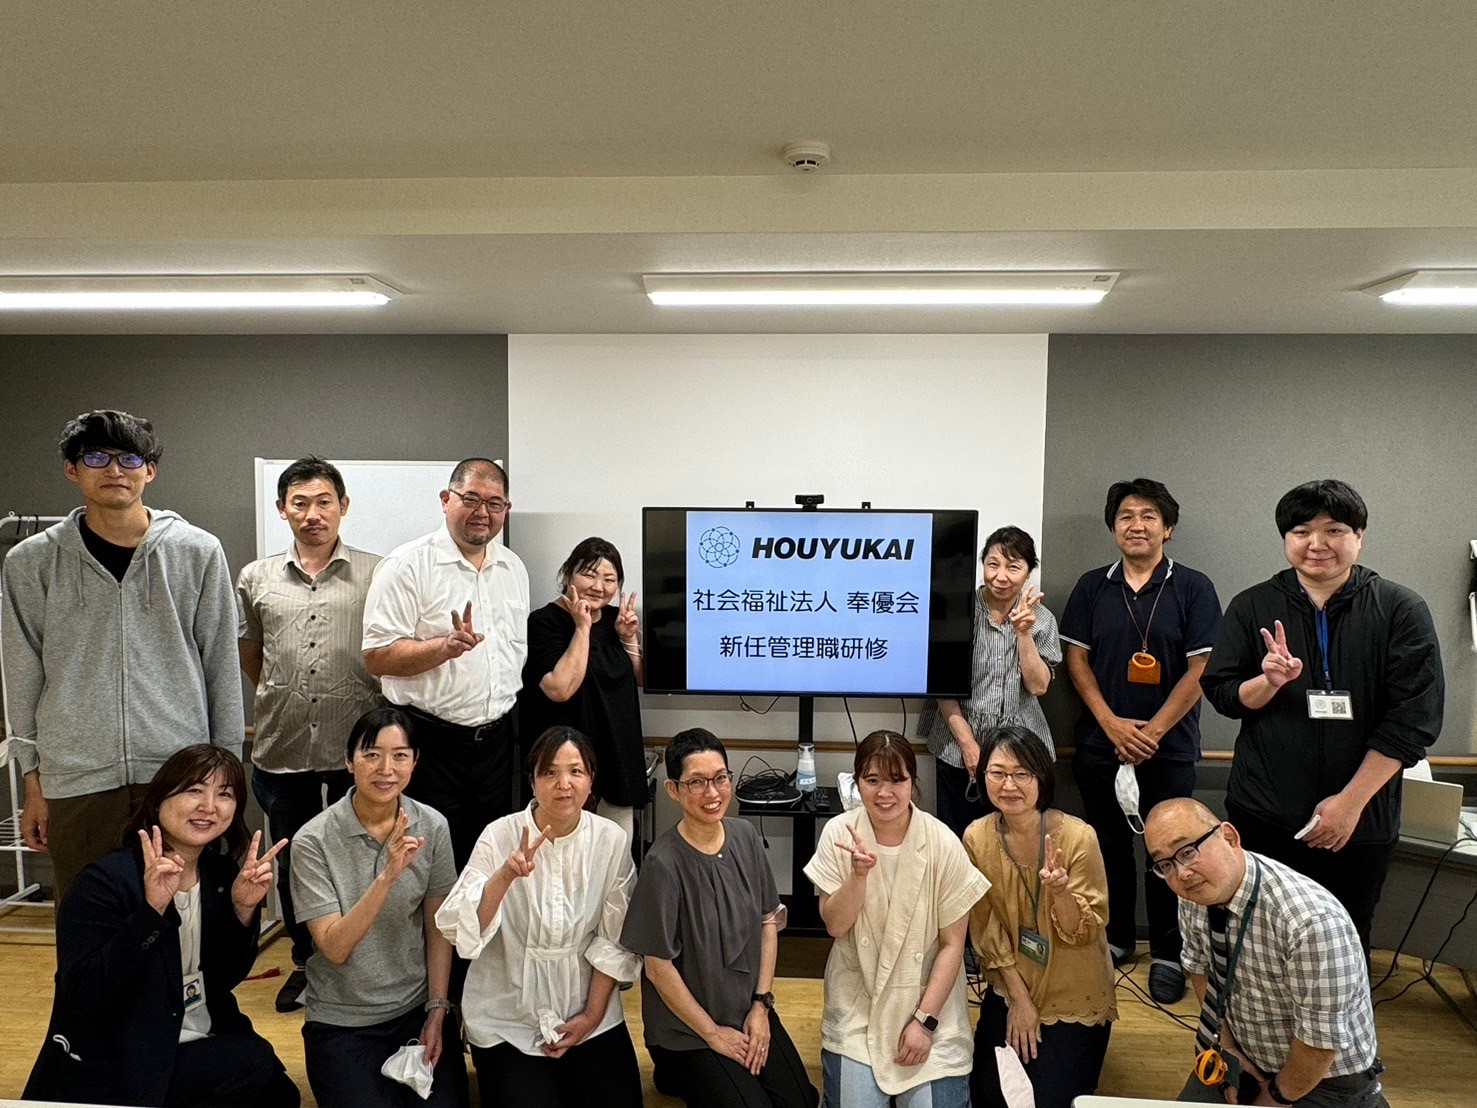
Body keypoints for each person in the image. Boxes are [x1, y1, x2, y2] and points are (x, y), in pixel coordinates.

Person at [1, 409, 243, 904]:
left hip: (179, 776)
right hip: (76, 778)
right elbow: (22, 675)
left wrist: (225, 781)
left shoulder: (198, 552)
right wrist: (33, 783)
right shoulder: (31, 562)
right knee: (86, 919)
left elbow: (221, 667)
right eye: (96, 457)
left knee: (180, 918)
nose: (115, 469)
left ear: (149, 469)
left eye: (129, 458)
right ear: (72, 469)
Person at [1200, 480, 1442, 953]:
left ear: (1360, 536)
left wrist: (1349, 805)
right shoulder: (1252, 605)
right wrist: (1267, 682)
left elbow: (1413, 720)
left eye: (1334, 530)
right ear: (1285, 538)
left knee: (1344, 940)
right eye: (1301, 531)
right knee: (1259, 938)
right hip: (1265, 812)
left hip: (1361, 819)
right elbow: (1224, 694)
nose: (1317, 544)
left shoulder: (1401, 609)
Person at [24, 745, 298, 1107]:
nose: (209, 806)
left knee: (280, 1094)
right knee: (249, 1063)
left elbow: (223, 978)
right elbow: (85, 994)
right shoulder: (104, 881)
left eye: (225, 794)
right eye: (194, 790)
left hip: (193, 1033)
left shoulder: (219, 874)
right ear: (158, 800)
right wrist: (151, 912)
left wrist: (243, 910)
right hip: (120, 1052)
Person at [1060, 477, 1222, 1003]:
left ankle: (1171, 952)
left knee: (1171, 850)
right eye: (1126, 516)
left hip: (1167, 747)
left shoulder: (1193, 588)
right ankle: (1117, 938)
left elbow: (1201, 669)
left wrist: (1151, 732)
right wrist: (1110, 723)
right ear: (1113, 528)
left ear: (1167, 528)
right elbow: (1076, 660)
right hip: (1100, 743)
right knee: (1106, 847)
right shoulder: (1092, 586)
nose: (1137, 525)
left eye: (1149, 516)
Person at [236, 455, 383, 1011]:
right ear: (282, 510)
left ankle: (361, 960)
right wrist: (289, 692)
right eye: (300, 503)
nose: (312, 514)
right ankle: (307, 960)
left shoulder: (377, 572)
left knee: (363, 855)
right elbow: (253, 655)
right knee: (293, 860)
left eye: (324, 502)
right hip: (285, 744)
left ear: (343, 506)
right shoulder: (256, 578)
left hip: (358, 748)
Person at [436, 725, 643, 1108]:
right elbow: (463, 931)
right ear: (532, 780)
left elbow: (613, 937)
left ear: (591, 779)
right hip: (507, 1013)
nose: (564, 784)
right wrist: (505, 875)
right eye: (550, 772)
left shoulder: (610, 839)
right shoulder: (500, 835)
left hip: (587, 1006)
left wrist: (591, 1016)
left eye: (575, 771)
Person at [1145, 798, 1387, 1108]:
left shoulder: (1311, 923)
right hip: (1245, 1051)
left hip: (1323, 1078)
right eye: (1165, 864)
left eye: (1188, 851)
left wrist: (1273, 1096)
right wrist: (1228, 1049)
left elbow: (1319, 1045)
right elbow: (1199, 967)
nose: (1182, 873)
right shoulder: (1194, 894)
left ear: (1229, 837)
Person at [621, 728, 818, 1108]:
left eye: (720, 778)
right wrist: (712, 1034)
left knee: (801, 1102)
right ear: (673, 790)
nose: (712, 793)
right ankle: (674, 1072)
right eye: (696, 782)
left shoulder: (745, 835)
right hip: (688, 1032)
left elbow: (768, 922)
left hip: (748, 1010)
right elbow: (658, 968)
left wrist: (761, 1006)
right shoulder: (663, 863)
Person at [290, 706, 469, 1108]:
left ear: (415, 761)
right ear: (348, 761)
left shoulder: (432, 825)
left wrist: (437, 1011)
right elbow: (334, 948)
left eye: (400, 755)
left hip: (414, 1010)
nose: (386, 769)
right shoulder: (312, 841)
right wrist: (387, 876)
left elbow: (437, 927)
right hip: (342, 1020)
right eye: (371, 754)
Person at [803, 730, 987, 1108]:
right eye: (872, 780)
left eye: (896, 780)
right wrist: (858, 876)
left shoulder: (942, 842)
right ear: (857, 783)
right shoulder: (840, 833)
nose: (884, 793)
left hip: (930, 1007)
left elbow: (953, 945)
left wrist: (924, 1023)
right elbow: (836, 926)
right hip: (858, 1007)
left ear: (912, 783)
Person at [362, 458, 530, 868]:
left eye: (494, 503)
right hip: (429, 744)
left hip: (497, 745)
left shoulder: (513, 568)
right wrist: (444, 648)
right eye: (471, 499)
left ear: (506, 510)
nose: (482, 512)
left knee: (487, 861)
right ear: (445, 500)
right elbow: (376, 656)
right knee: (426, 864)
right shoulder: (406, 565)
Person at [964, 726, 1116, 1108]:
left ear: (1042, 778)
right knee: (989, 1097)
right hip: (1012, 983)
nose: (1009, 785)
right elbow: (986, 928)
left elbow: (1084, 931)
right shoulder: (976, 838)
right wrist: (1019, 1001)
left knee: (1052, 1100)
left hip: (1072, 989)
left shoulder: (1079, 838)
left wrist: (1061, 892)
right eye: (998, 773)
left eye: (1022, 774)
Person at [922, 526, 1061, 837]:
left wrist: (1023, 633)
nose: (1000, 576)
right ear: (982, 564)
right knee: (959, 840)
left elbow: (1038, 687)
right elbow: (941, 685)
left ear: (1028, 573)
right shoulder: (956, 610)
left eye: (1013, 567)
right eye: (993, 564)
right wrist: (969, 746)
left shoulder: (1042, 619)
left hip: (1021, 750)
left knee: (1016, 839)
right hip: (957, 744)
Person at [518, 538, 647, 847]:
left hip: (616, 754)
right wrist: (582, 627)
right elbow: (560, 688)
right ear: (568, 575)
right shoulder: (543, 622)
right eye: (589, 574)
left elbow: (640, 680)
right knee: (560, 846)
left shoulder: (616, 620)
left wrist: (629, 638)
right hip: (564, 761)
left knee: (616, 847)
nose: (598, 587)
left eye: (609, 579)